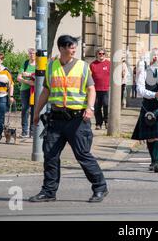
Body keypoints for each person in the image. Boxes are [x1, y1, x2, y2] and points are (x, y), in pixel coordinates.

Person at [30, 35, 108, 203]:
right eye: (71, 47)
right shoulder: (51, 66)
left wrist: (90, 108)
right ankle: (49, 191)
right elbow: (46, 91)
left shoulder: (82, 66)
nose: (74, 49)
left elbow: (92, 89)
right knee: (50, 155)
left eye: (74, 47)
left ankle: (100, 187)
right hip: (56, 119)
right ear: (62, 48)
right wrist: (36, 112)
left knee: (82, 155)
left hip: (77, 120)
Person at [131, 49, 158, 173]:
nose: (156, 58)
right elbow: (140, 90)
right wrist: (154, 94)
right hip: (148, 107)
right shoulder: (144, 72)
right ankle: (153, 161)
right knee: (150, 137)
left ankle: (157, 163)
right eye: (154, 56)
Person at [17, 48, 36, 138]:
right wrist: (28, 82)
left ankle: (32, 131)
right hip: (24, 89)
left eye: (33, 53)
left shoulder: (39, 64)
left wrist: (28, 74)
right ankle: (25, 131)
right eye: (30, 53)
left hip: (35, 91)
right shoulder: (25, 63)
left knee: (33, 110)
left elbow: (39, 75)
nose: (31, 55)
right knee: (25, 109)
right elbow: (19, 78)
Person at [90, 48, 111, 130]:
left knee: (106, 105)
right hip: (95, 89)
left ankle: (106, 121)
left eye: (103, 54)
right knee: (97, 107)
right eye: (100, 53)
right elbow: (89, 76)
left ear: (105, 55)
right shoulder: (92, 64)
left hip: (106, 89)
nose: (101, 55)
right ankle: (98, 123)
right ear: (97, 54)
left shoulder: (109, 64)